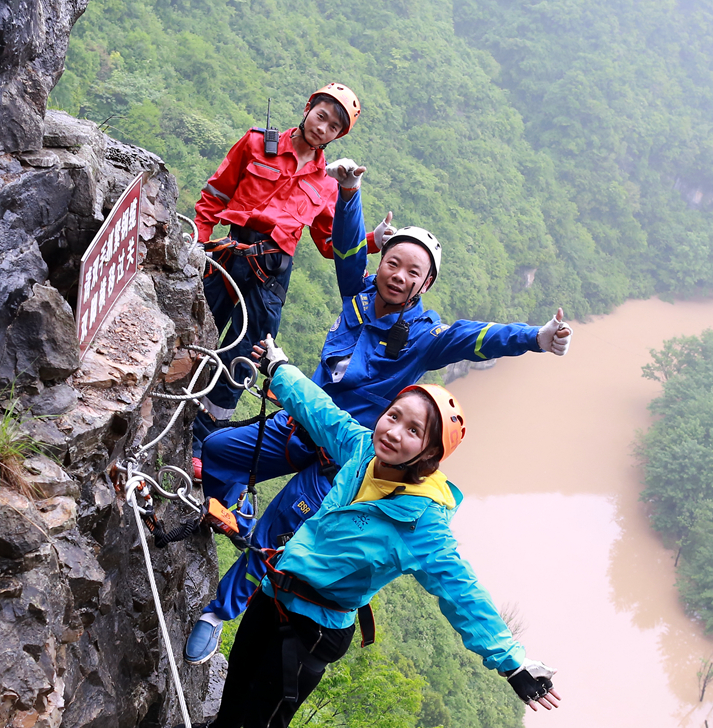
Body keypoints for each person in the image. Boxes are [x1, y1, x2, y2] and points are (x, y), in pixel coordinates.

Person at [153, 341, 562, 728]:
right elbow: (319, 411)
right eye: (394, 416)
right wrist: (280, 369)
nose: (394, 431)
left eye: (414, 431)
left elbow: (464, 596)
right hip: (276, 590)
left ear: (429, 455)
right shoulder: (363, 449)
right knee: (239, 670)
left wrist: (512, 663)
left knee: (264, 725)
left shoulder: (423, 525)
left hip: (313, 632)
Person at [183, 161, 573, 662]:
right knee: (216, 452)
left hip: (343, 458)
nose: (399, 275)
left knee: (277, 534)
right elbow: (346, 251)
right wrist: (349, 193)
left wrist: (536, 338)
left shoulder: (425, 337)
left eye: (414, 271)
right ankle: (236, 505)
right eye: (394, 262)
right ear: (382, 263)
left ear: (424, 284)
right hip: (301, 423)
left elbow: (476, 339)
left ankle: (217, 612)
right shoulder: (359, 297)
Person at [191, 84, 364, 466]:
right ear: (307, 109)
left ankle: (201, 440)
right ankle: (170, 393)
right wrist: (196, 242)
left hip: (271, 275)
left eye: (334, 127)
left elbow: (328, 243)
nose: (323, 129)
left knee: (245, 357)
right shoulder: (255, 144)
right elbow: (215, 194)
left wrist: (375, 239)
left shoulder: (328, 182)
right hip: (229, 253)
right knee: (197, 328)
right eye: (321, 116)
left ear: (337, 136)